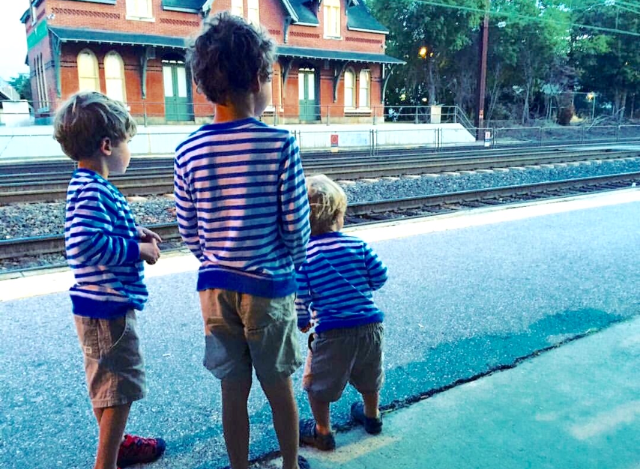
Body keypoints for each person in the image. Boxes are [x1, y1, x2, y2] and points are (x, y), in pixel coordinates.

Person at [174, 12, 311, 469]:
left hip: (214, 290)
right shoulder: (279, 144)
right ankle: (290, 464)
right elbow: (295, 227)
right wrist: (290, 266)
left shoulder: (187, 150)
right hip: (267, 288)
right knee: (279, 387)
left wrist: (216, 255)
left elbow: (188, 229)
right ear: (258, 78)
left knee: (231, 390)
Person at [55, 91, 166, 469]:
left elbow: (105, 229)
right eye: (126, 142)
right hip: (107, 310)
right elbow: (86, 243)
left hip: (99, 306)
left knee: (108, 385)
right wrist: (138, 251)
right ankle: (107, 461)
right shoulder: (91, 189)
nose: (128, 150)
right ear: (107, 145)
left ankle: (116, 444)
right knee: (119, 389)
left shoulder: (90, 185)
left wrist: (135, 232)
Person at [296, 175, 389, 451]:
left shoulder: (306, 255)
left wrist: (303, 321)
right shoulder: (357, 246)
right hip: (370, 326)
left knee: (317, 385)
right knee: (370, 376)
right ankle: (372, 417)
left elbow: (301, 296)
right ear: (339, 215)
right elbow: (380, 276)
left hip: (332, 331)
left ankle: (323, 432)